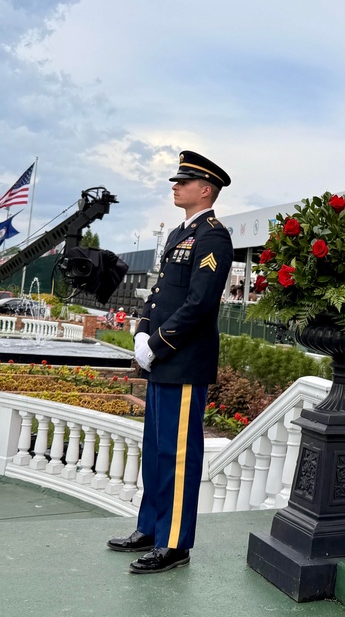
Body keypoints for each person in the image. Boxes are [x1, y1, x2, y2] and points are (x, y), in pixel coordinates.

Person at [107, 151, 234, 574]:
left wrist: (157, 344)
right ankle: (150, 529)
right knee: (157, 453)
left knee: (178, 455)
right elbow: (161, 295)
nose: (175, 186)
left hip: (183, 362)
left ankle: (175, 542)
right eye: (176, 181)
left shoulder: (212, 236)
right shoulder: (180, 234)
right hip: (163, 362)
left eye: (184, 182)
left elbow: (200, 304)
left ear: (206, 189)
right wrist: (142, 328)